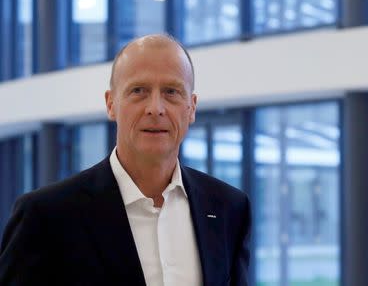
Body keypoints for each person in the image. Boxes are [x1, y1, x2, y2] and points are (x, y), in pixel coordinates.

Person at [0, 34, 251, 286]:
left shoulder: (229, 208)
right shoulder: (45, 217)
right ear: (111, 104)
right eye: (138, 91)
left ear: (192, 107)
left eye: (171, 92)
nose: (155, 108)